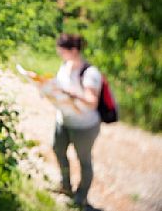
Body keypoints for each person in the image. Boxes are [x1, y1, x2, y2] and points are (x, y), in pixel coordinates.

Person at [52, 33, 101, 209]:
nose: (60, 55)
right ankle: (65, 185)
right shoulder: (64, 66)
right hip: (63, 121)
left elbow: (92, 100)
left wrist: (70, 92)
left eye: (62, 52)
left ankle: (81, 197)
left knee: (84, 160)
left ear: (73, 50)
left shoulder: (90, 73)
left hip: (84, 126)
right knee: (58, 150)